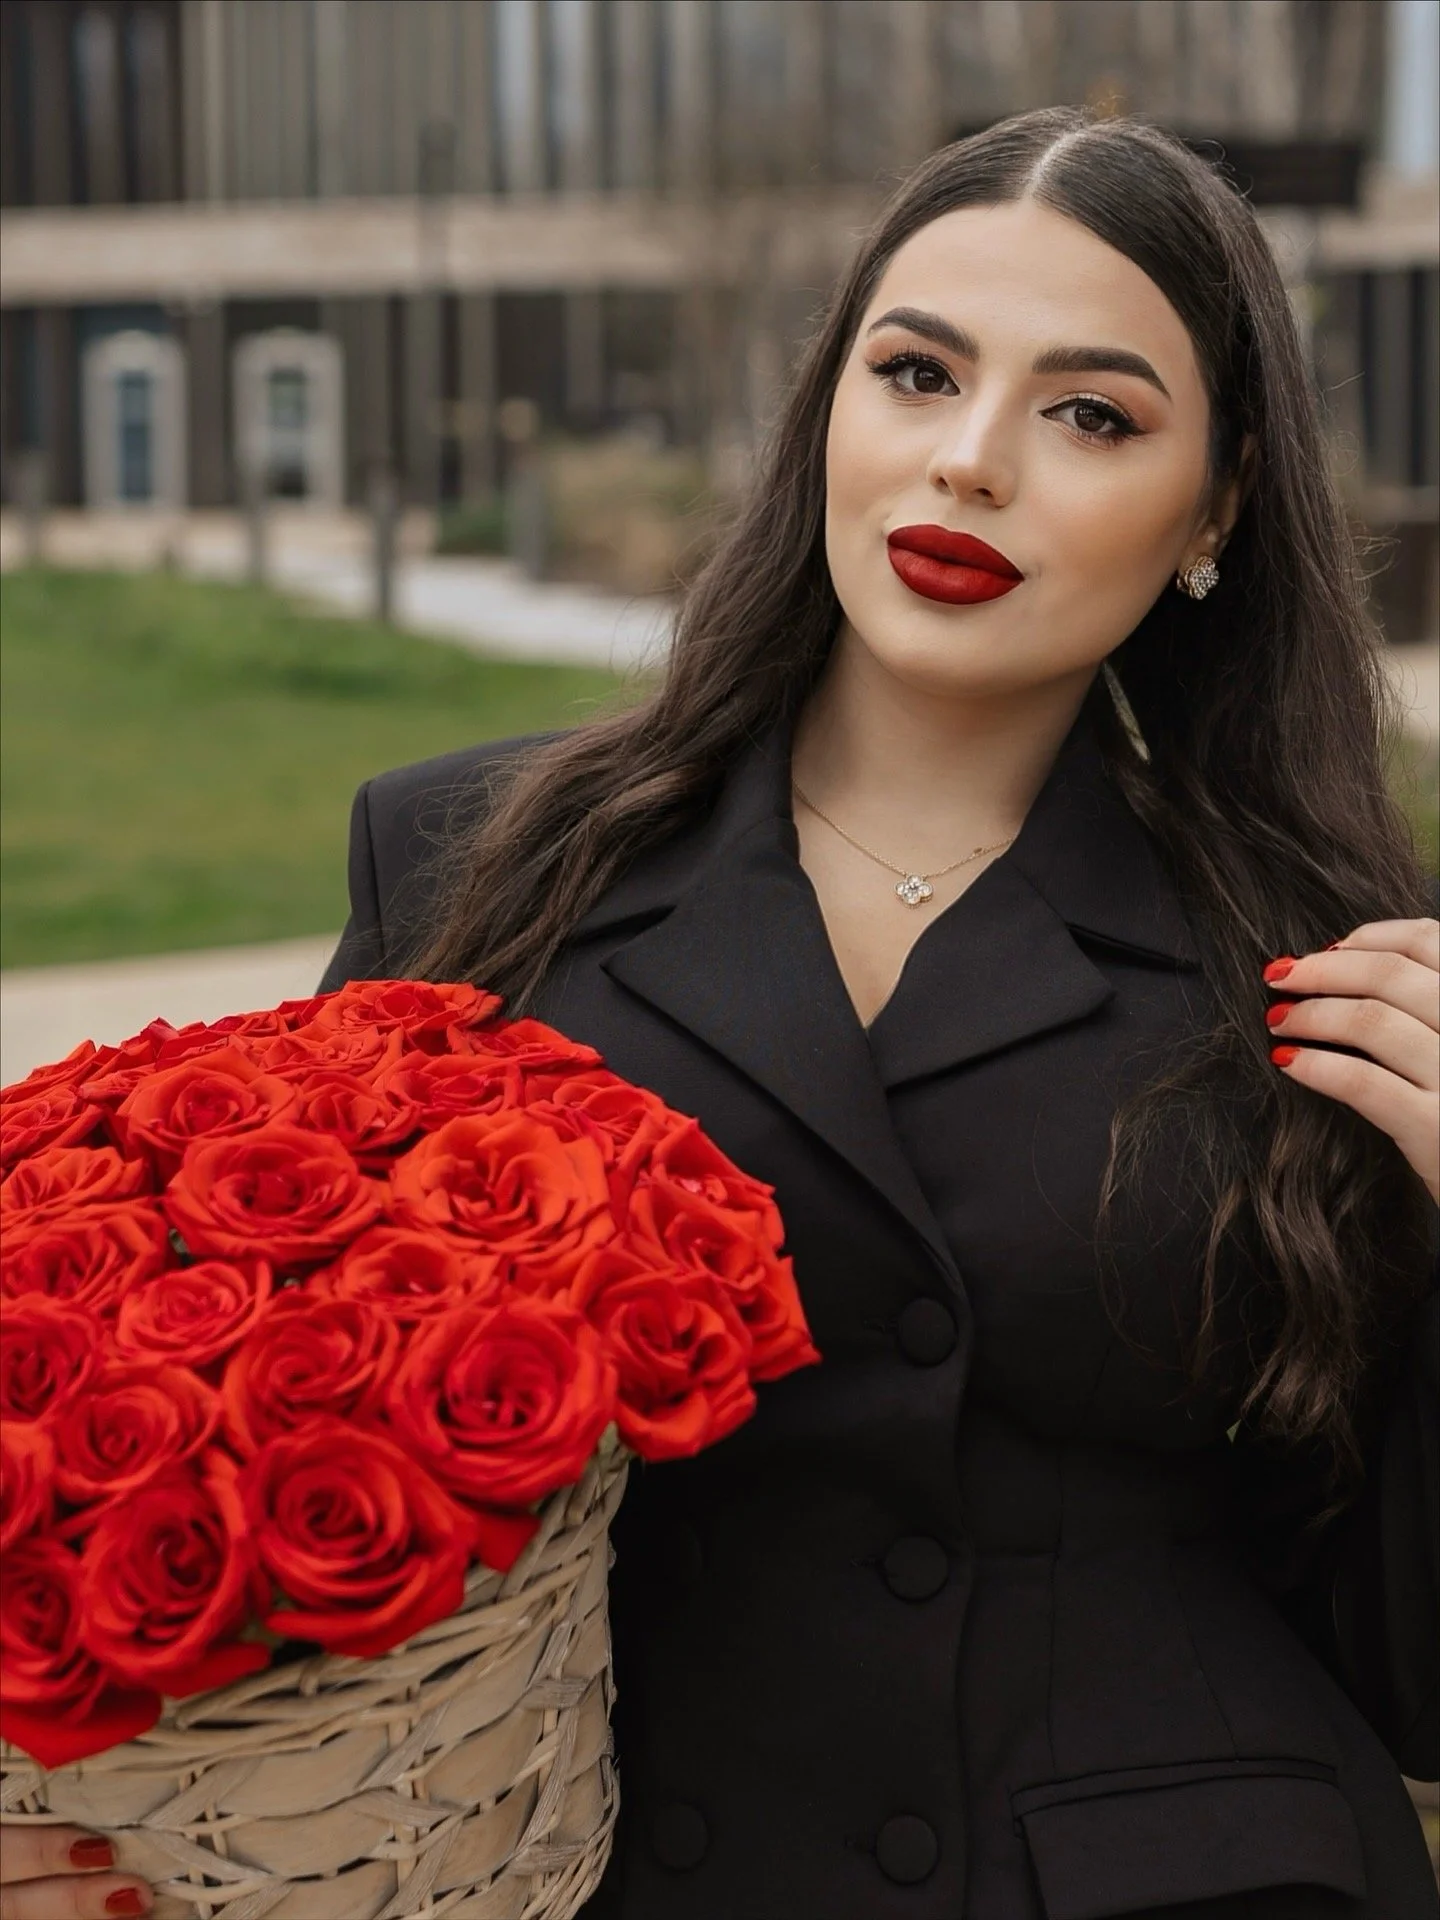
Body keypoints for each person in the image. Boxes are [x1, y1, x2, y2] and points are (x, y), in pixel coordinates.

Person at [10, 104, 1436, 1920]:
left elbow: (1415, 1675)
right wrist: (124, 1831)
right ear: (826, 408)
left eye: (1093, 414)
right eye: (916, 373)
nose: (973, 462)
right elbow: (228, 1435)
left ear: (1217, 506)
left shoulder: (1320, 959)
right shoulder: (470, 859)